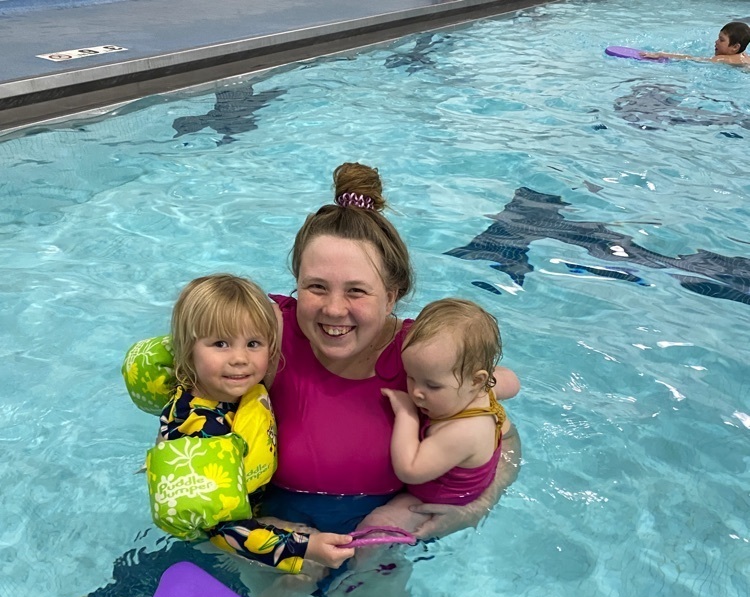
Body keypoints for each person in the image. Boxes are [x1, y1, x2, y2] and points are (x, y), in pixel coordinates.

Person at [124, 162, 522, 541]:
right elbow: (191, 393)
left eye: (356, 291)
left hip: (380, 530)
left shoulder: (425, 356)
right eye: (316, 287)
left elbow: (500, 435)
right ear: (296, 281)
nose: (334, 309)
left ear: (391, 296)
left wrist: (476, 505)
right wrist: (267, 534)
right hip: (270, 521)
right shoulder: (263, 335)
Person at [146, 273, 354, 571]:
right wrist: (303, 548)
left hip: (251, 505)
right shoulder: (201, 432)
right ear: (188, 350)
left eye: (253, 343)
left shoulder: (229, 392)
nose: (240, 358)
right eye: (221, 344)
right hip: (222, 536)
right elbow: (221, 532)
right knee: (308, 572)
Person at [368, 299, 518, 533]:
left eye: (432, 385)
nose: (416, 392)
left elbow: (410, 469)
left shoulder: (463, 431)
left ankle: (363, 568)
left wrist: (407, 415)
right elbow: (513, 382)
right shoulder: (481, 388)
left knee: (378, 526)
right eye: (410, 376)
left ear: (476, 380)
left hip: (437, 503)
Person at [641, 21, 750, 64]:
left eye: (721, 40)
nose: (716, 42)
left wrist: (663, 54)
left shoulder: (721, 59)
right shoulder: (745, 56)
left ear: (735, 47)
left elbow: (692, 59)